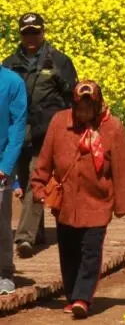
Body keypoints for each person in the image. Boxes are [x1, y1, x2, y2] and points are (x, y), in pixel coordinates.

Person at [28, 81, 125, 318]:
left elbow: (121, 169)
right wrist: (38, 185)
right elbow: (45, 157)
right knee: (69, 249)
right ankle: (73, 295)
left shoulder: (113, 128)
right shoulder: (59, 122)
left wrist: (122, 205)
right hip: (66, 202)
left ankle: (83, 298)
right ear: (73, 106)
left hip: (98, 201)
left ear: (97, 106)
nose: (83, 113)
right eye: (79, 108)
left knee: (90, 250)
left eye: (88, 108)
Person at [3, 13, 77, 260]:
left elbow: (72, 99)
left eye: (35, 31)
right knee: (25, 184)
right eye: (26, 32)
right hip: (17, 134)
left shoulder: (59, 61)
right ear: (20, 34)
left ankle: (24, 237)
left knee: (37, 180)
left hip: (46, 133)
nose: (31, 37)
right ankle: (39, 232)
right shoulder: (10, 63)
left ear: (43, 32)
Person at [0, 62, 27, 296]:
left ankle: (5, 272)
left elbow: (17, 128)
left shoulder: (12, 82)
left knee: (1, 221)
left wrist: (6, 167)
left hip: (0, 164)